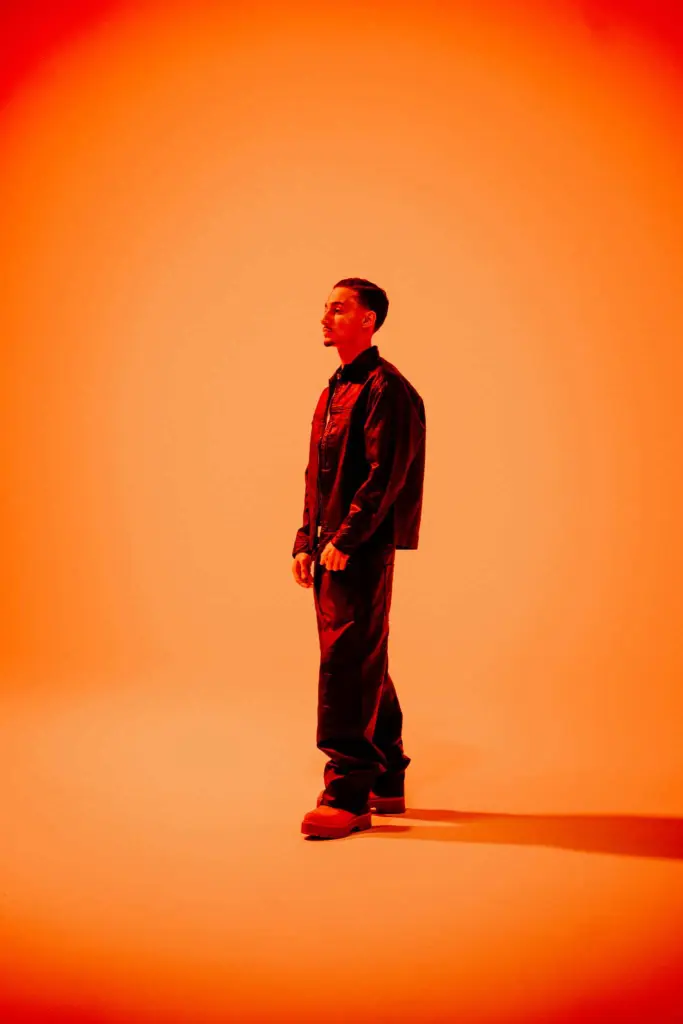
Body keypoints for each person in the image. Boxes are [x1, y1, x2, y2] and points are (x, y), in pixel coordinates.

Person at [291, 277, 427, 840]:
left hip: (359, 547)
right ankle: (387, 773)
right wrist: (306, 538)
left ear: (369, 320)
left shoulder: (386, 388)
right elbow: (318, 473)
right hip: (332, 544)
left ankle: (347, 792)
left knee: (346, 661)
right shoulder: (335, 389)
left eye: (339, 308)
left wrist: (346, 539)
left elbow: (385, 473)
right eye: (325, 308)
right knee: (362, 654)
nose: (326, 317)